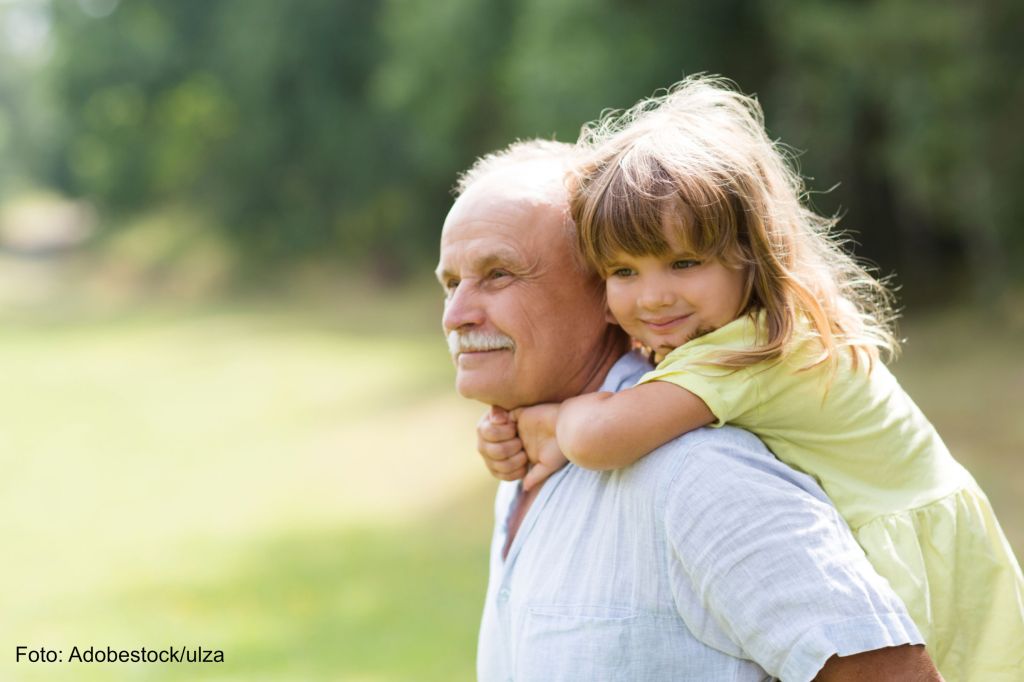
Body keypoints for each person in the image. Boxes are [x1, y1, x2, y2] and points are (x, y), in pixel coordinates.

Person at [478, 76, 1024, 680]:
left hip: (921, 557)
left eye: (684, 263)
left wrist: (550, 420)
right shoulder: (732, 332)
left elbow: (601, 439)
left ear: (751, 253)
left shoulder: (749, 351)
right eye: (624, 270)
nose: (654, 296)